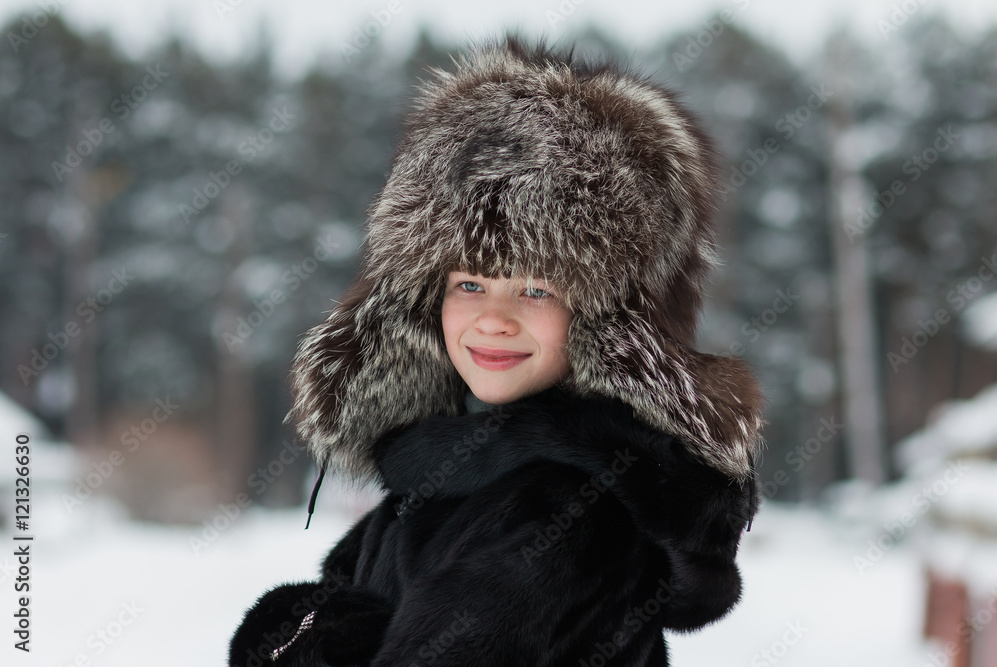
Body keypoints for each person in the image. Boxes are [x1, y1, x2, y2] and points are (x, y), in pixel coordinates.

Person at [229, 33, 766, 667]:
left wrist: (307, 640)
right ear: (423, 301)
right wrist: (302, 625)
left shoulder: (565, 509)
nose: (493, 319)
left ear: (607, 323)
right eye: (469, 284)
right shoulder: (456, 468)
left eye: (536, 289)